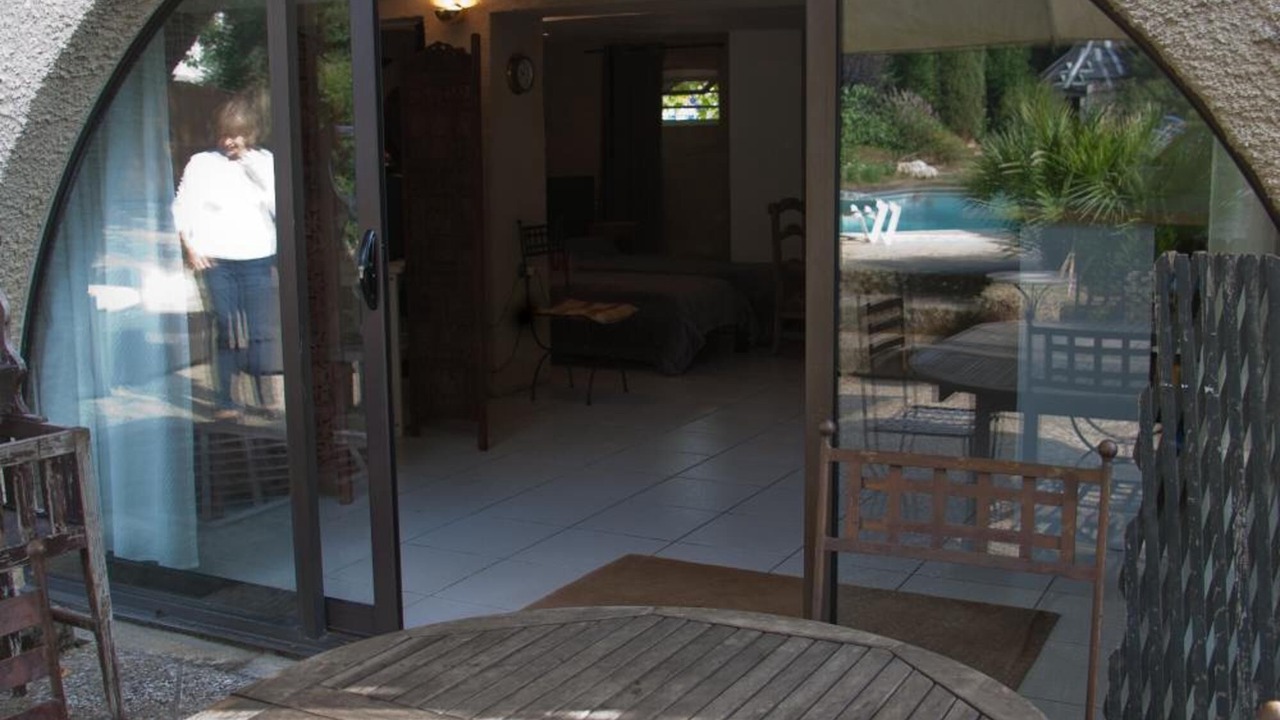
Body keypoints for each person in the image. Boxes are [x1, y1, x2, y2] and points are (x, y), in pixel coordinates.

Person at [172, 93, 281, 420]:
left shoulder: (265, 162)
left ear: (251, 133)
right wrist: (191, 248)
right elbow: (183, 206)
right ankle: (227, 399)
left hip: (258, 257)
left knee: (260, 329)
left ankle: (265, 397)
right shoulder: (201, 164)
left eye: (238, 134)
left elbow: (279, 206)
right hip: (216, 260)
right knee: (225, 327)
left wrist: (253, 171)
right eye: (226, 134)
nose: (231, 141)